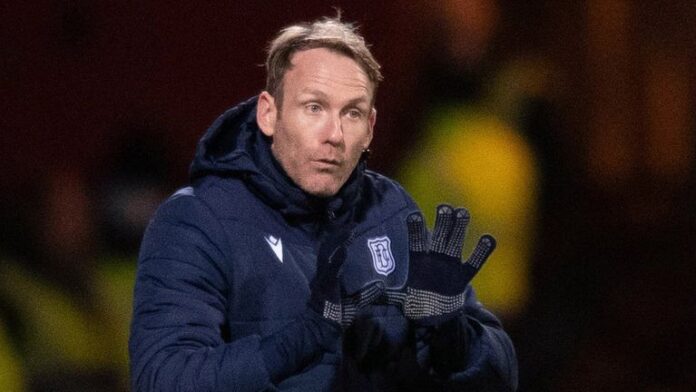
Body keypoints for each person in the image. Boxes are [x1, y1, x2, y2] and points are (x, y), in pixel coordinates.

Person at [129, 15, 517, 391]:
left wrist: (454, 340)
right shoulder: (198, 220)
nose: (334, 134)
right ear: (269, 113)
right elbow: (164, 378)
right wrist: (304, 337)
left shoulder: (392, 212)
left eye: (352, 112)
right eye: (314, 107)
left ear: (370, 128)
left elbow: (502, 375)